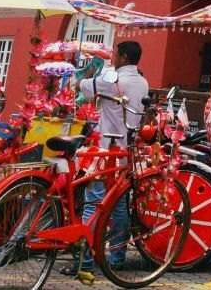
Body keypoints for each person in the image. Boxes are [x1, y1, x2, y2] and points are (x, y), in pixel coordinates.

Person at [74, 40, 150, 272]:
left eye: (116, 55)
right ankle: (116, 258)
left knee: (93, 204)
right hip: (125, 152)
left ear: (124, 57)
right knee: (118, 207)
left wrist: (88, 72)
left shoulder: (114, 80)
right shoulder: (143, 82)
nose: (113, 58)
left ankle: (85, 262)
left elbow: (82, 86)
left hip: (106, 149)